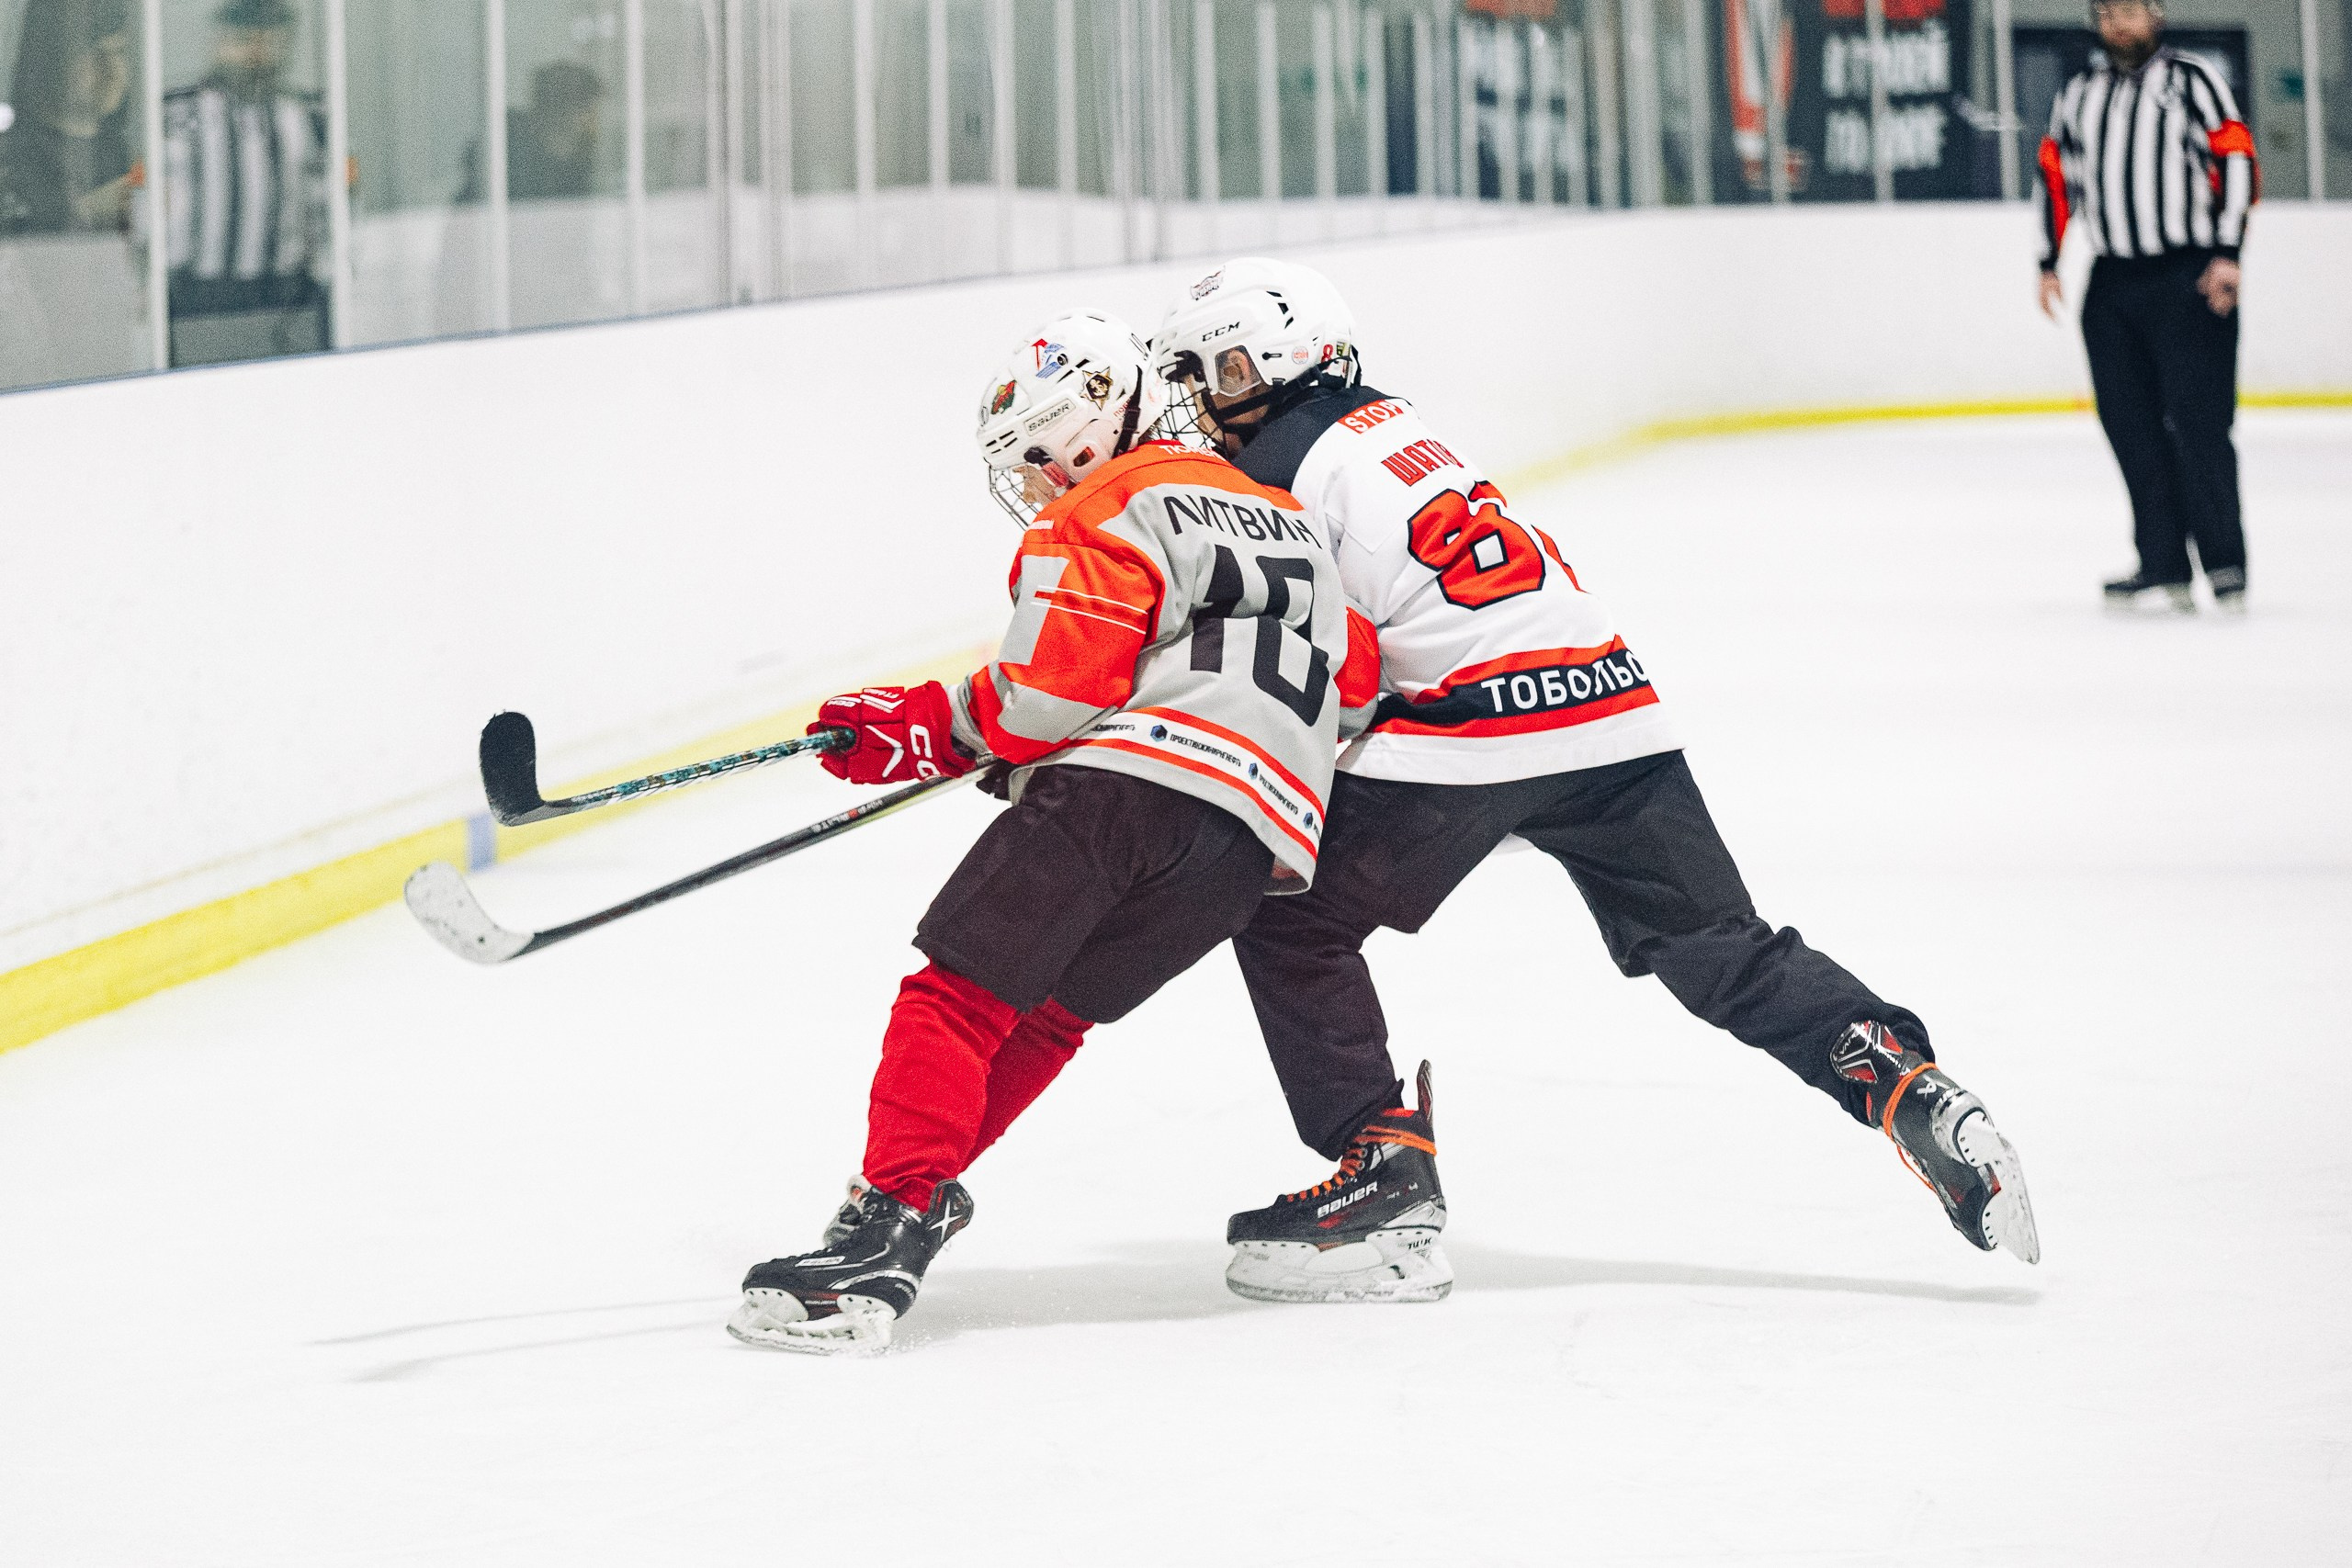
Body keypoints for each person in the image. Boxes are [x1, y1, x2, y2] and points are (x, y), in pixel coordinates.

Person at [1151, 258, 2041, 1305]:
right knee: (1721, 948)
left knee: (1285, 916)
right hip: (1612, 703)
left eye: (1213, 371)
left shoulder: (1277, 468)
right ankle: (1899, 1076)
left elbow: (1305, 654)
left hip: (1472, 725)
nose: (1205, 399)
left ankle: (1380, 1178)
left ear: (1266, 360)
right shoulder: (1395, 427)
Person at [726, 311, 1379, 1355]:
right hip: (1254, 847)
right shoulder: (1284, 515)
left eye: (1035, 455)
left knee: (952, 998)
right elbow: (1351, 688)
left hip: (1128, 794)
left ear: (1083, 430)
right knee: (1043, 1021)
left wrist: (919, 728)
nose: (1033, 482)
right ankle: (911, 1200)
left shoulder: (1105, 501)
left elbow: (1042, 696)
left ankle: (878, 1237)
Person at [2035, 0, 2256, 615]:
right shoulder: (2079, 94)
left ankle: (2224, 562)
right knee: (2130, 427)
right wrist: (2047, 260)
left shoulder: (2193, 82)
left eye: (2131, 11)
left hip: (2188, 273)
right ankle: (2162, 561)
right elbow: (2056, 175)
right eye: (2108, 14)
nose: (2120, 25)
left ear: (2156, 16)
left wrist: (2228, 251)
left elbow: (2234, 155)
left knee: (2199, 424)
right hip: (2111, 284)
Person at [161, 0, 330, 365]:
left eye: (268, 35)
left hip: (289, 300)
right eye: (242, 35)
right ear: (217, 39)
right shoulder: (173, 113)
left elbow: (328, 214)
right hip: (197, 301)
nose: (256, 48)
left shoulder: (310, 115)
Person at [0, 0, 134, 236]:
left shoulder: (130, 151)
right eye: (95, 54)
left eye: (120, 52)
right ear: (46, 59)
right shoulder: (8, 161)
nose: (114, 70)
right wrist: (87, 211)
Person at [458, 60, 605, 203]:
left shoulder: (579, 160)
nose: (593, 120)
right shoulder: (507, 145)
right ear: (561, 110)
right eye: (586, 109)